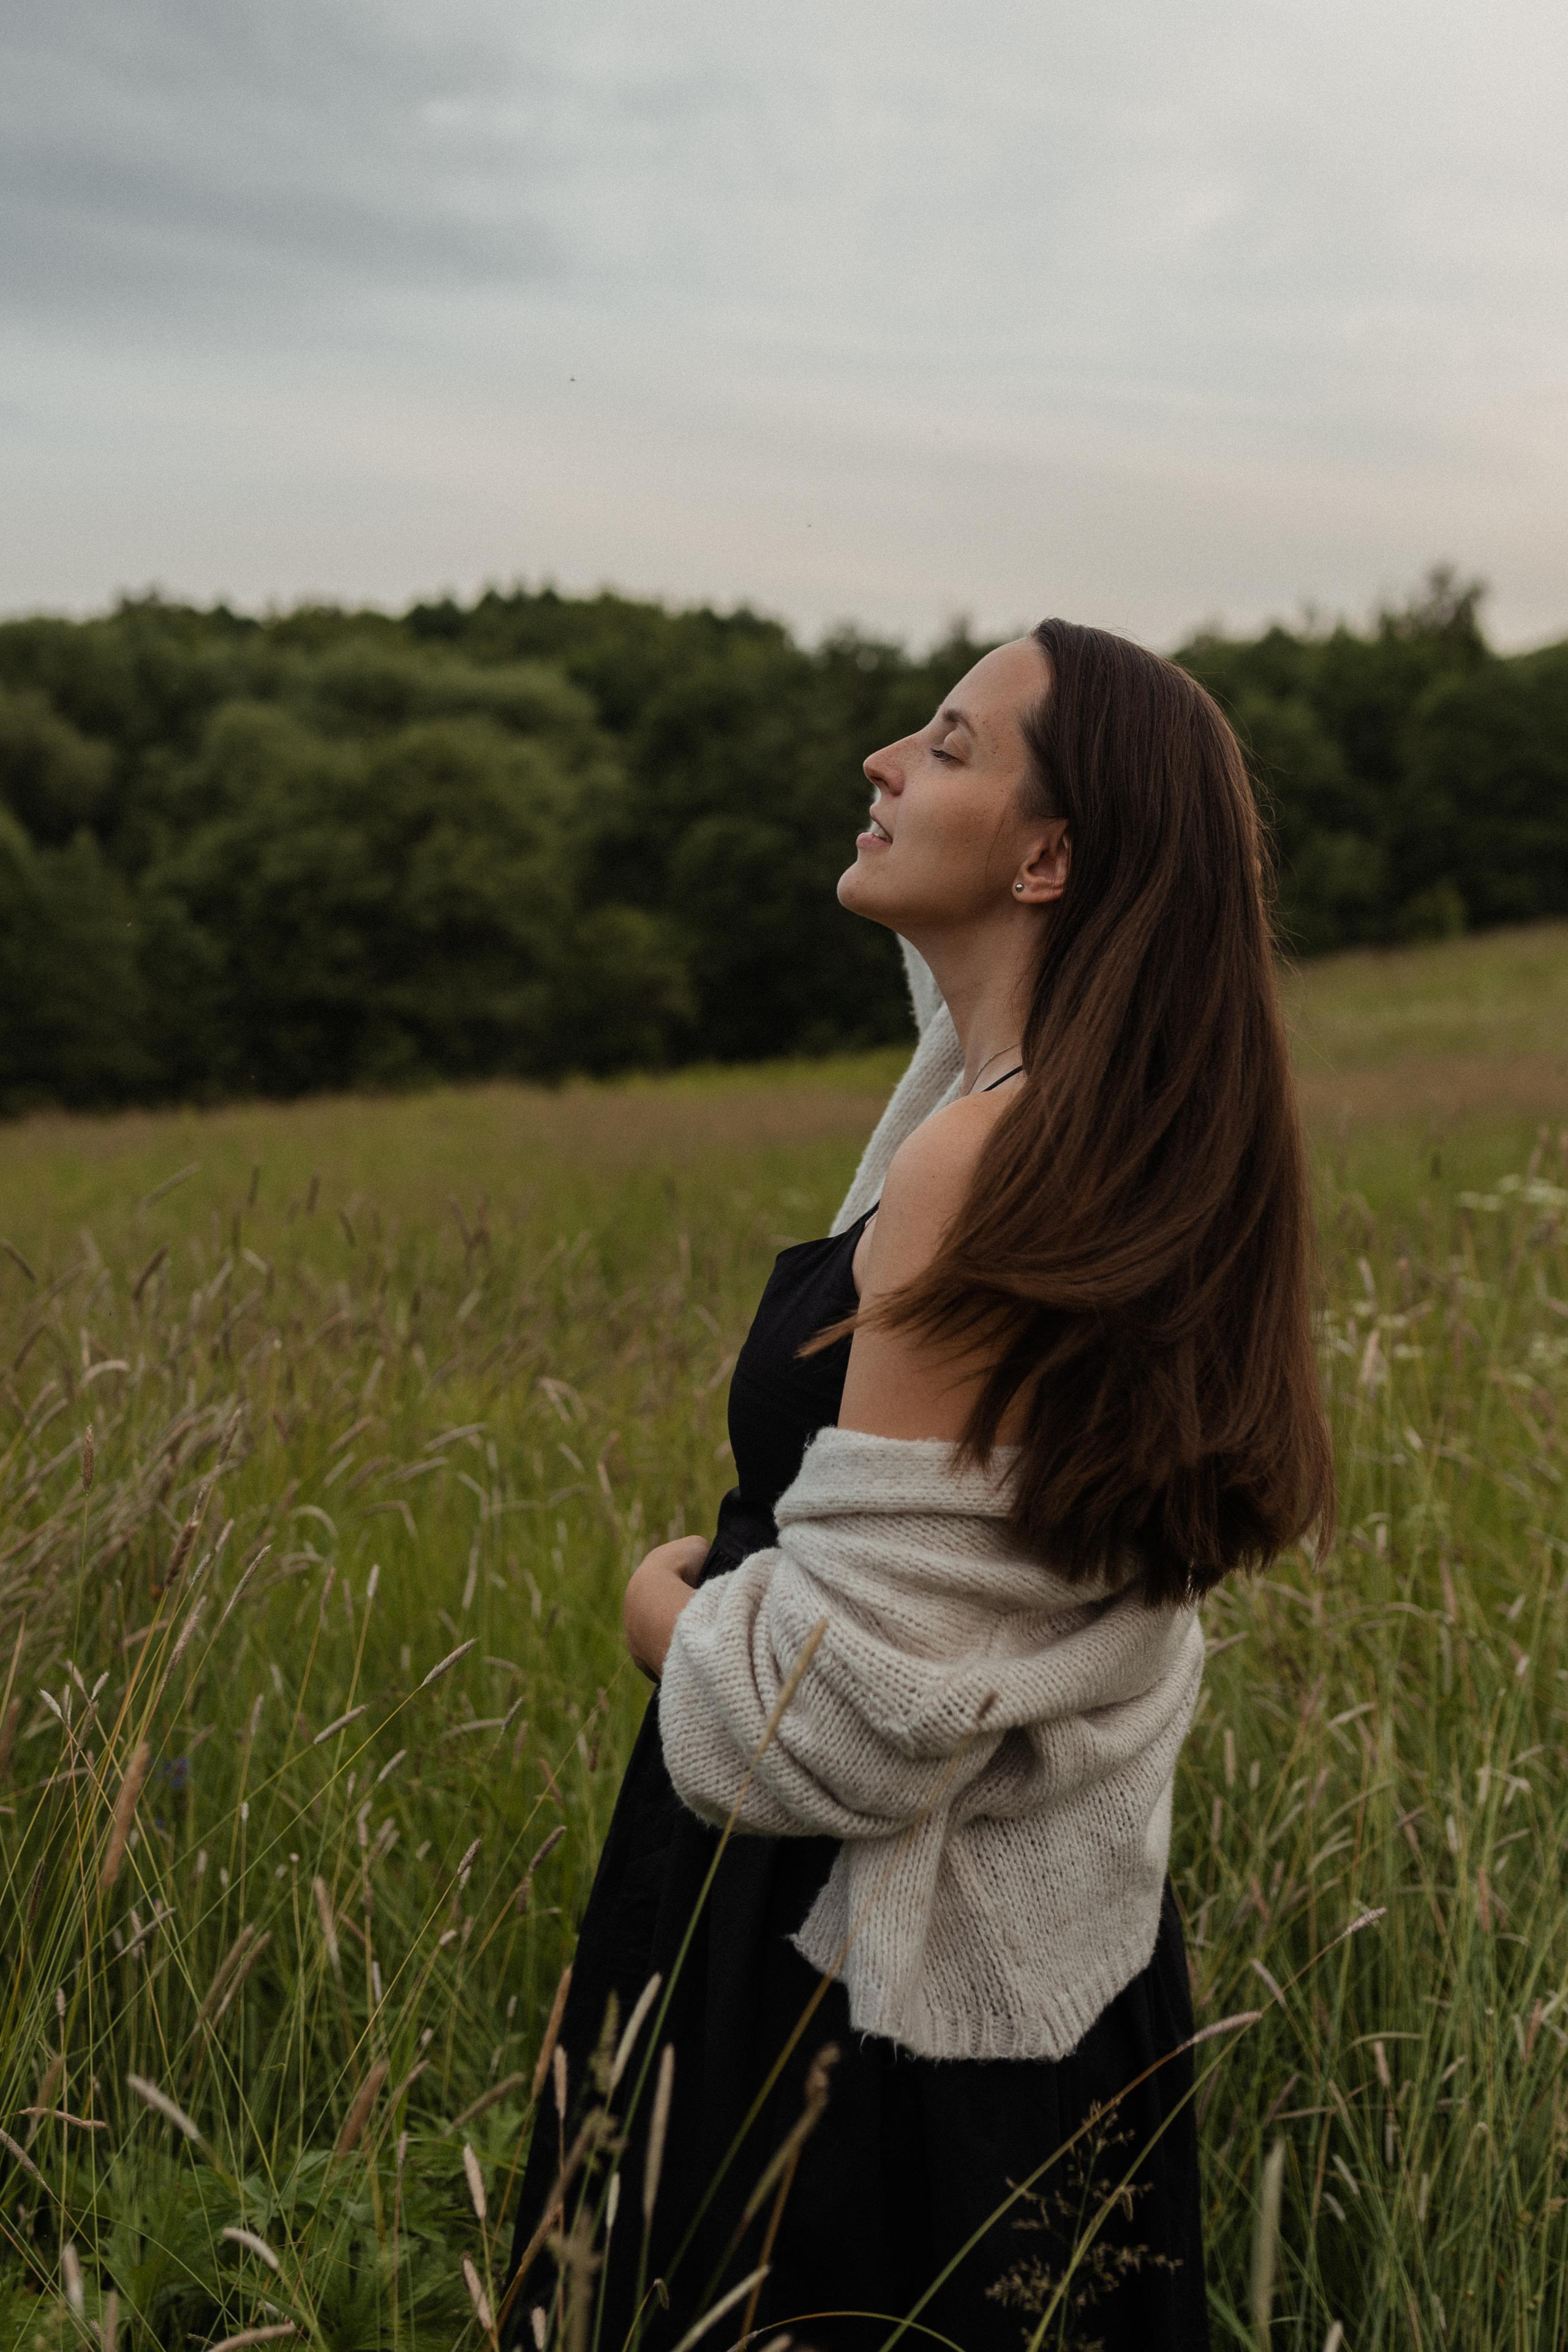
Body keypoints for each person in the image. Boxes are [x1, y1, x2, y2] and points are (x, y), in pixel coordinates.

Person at [503, 619, 1333, 2351]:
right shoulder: (1110, 1142)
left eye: (947, 746)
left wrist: (661, 1610)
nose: (881, 760)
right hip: (1048, 1970)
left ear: (1048, 860)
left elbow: (843, 1717)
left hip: (846, 1995)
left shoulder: (977, 1164)